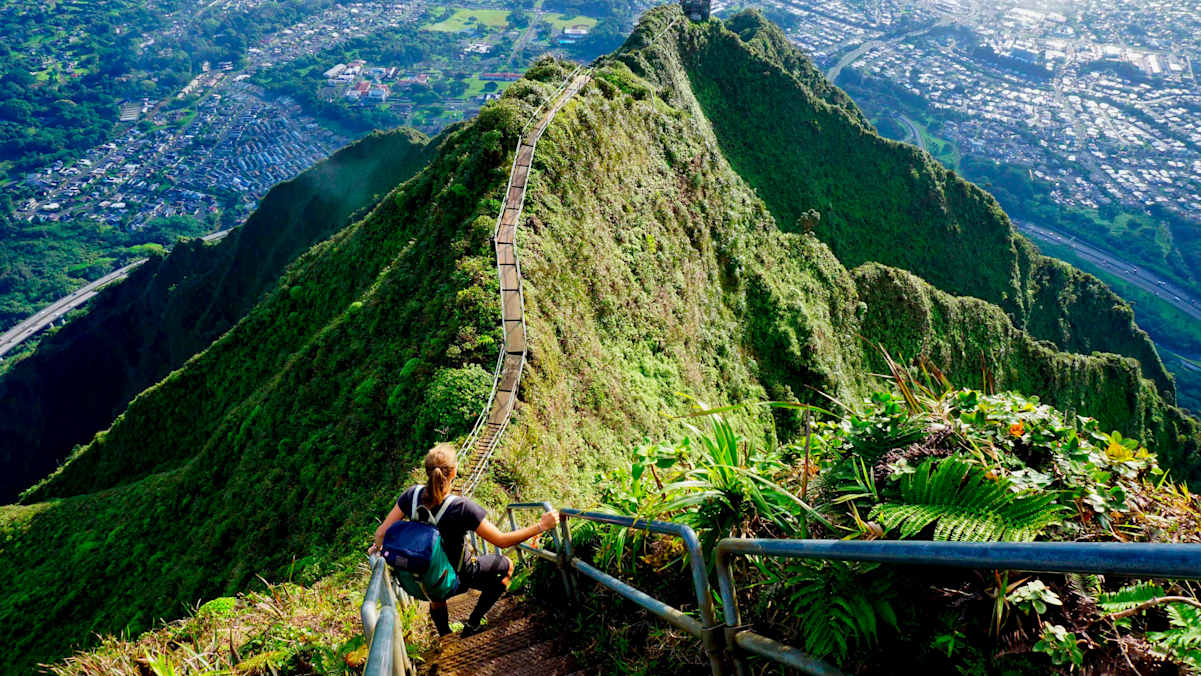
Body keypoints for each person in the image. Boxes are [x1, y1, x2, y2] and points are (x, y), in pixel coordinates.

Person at [368, 442, 560, 637]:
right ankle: (473, 622)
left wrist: (380, 549)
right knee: (507, 567)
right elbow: (501, 541)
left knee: (435, 580)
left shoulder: (411, 495)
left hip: (422, 579)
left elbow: (381, 534)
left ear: (427, 471)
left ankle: (445, 635)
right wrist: (541, 526)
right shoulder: (461, 508)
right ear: (453, 472)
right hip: (461, 577)